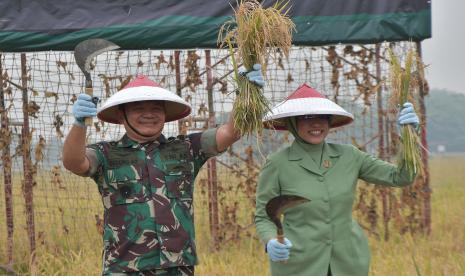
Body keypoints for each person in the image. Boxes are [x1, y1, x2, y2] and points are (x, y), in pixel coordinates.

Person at [62, 66, 264, 275]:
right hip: (125, 268)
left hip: (178, 267)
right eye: (138, 108)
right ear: (121, 116)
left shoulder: (187, 149)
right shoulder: (106, 153)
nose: (148, 114)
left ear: (166, 115)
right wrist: (79, 124)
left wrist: (246, 93)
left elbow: (231, 131)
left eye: (156, 108)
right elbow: (74, 162)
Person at [254, 84, 420, 276]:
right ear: (292, 123)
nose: (316, 124)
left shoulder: (350, 156)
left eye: (322, 117)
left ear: (330, 121)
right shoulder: (277, 164)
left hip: (348, 261)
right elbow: (263, 216)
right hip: (299, 262)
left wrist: (409, 138)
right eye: (307, 118)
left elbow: (401, 177)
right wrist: (270, 241)